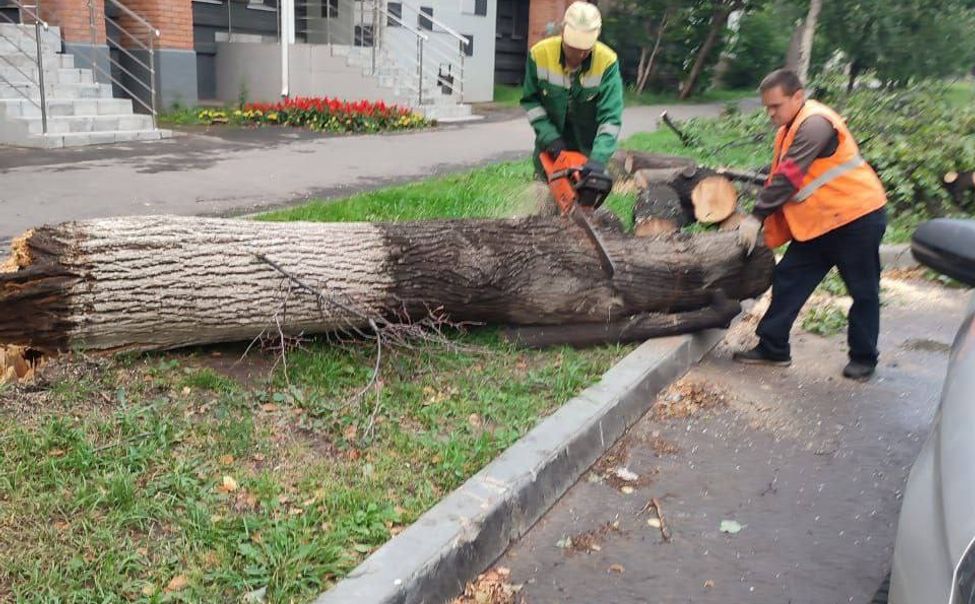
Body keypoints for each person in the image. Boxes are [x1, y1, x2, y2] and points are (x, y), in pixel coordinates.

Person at [732, 68, 888, 380]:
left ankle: (864, 357)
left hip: (856, 218)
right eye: (766, 107)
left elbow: (789, 177)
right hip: (821, 222)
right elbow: (782, 171)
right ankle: (773, 348)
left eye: (775, 106)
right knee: (790, 278)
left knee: (863, 290)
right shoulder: (791, 126)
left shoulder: (815, 123)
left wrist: (756, 217)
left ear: (798, 96)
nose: (770, 113)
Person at [520, 1, 623, 181]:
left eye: (585, 50)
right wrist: (549, 137)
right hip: (550, 153)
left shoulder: (607, 62)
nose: (579, 55)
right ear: (562, 32)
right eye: (573, 48)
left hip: (587, 154)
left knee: (585, 203)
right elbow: (532, 102)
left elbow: (611, 119)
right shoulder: (539, 55)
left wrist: (598, 159)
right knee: (544, 199)